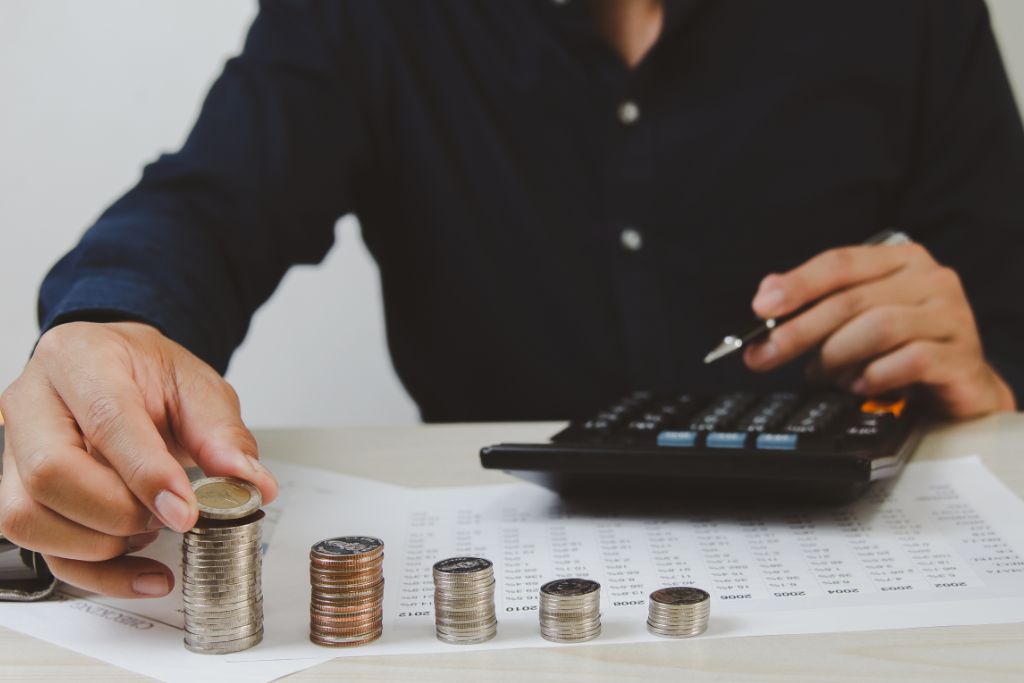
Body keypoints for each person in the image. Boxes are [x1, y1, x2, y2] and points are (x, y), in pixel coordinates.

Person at [1, 0, 1022, 599]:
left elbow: (1007, 328)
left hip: (871, 573)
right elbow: (206, 203)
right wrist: (111, 326)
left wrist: (990, 378)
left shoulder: (914, 18)